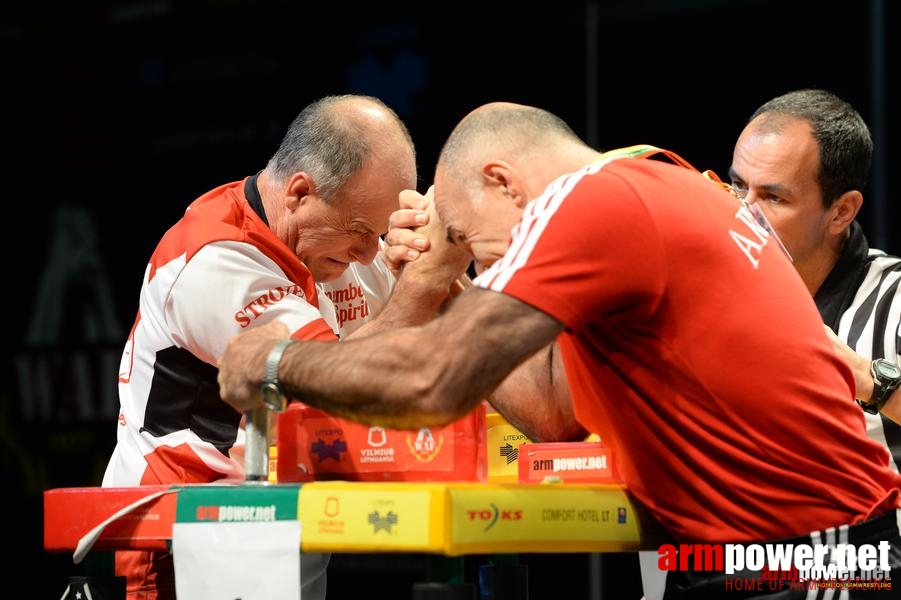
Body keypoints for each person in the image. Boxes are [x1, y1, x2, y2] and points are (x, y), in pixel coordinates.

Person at [218, 101, 901, 598]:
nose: (477, 258)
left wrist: (274, 361)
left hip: (814, 560)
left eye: (461, 233)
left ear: (503, 182)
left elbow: (430, 382)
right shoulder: (652, 181)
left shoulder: (595, 201)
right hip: (762, 555)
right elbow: (550, 410)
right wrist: (446, 286)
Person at [100, 94, 464, 600]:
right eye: (362, 232)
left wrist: (435, 262)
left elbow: (432, 331)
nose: (368, 253)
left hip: (285, 525)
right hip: (186, 538)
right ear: (298, 193)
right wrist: (421, 286)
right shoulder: (212, 259)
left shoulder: (340, 241)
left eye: (379, 233)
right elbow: (331, 378)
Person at [637, 88, 901, 600]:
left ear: (842, 211)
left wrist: (865, 376)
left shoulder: (893, 296)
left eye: (773, 197)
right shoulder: (694, 296)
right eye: (738, 188)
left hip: (852, 566)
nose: (744, 213)